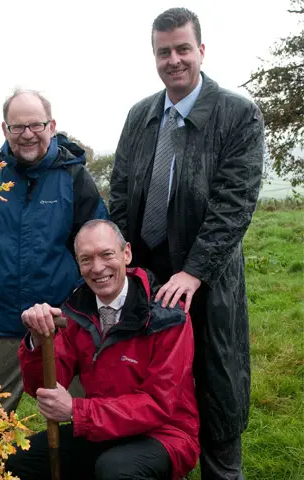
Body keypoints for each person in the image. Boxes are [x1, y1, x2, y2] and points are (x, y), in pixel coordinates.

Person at [109, 8, 264, 479]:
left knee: (217, 387)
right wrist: (123, 264)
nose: (173, 59)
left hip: (208, 281)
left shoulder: (238, 114)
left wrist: (194, 271)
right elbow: (119, 193)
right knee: (148, 387)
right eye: (163, 52)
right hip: (148, 278)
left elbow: (233, 204)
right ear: (154, 56)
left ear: (201, 50)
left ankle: (222, 472)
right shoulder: (140, 116)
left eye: (182, 49)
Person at [0, 89, 108, 421]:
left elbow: (98, 244)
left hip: (63, 322)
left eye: (35, 125)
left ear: (51, 126)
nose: (27, 135)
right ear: (5, 130)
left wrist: (87, 309)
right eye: (18, 127)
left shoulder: (75, 178)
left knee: (80, 418)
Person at [6, 219, 200, 480]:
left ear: (126, 253)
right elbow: (45, 386)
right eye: (86, 259)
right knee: (16, 462)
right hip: (103, 427)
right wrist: (38, 341)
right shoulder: (76, 310)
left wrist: (77, 411)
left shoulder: (167, 315)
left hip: (165, 433)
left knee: (114, 470)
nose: (97, 268)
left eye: (106, 254)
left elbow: (158, 404)